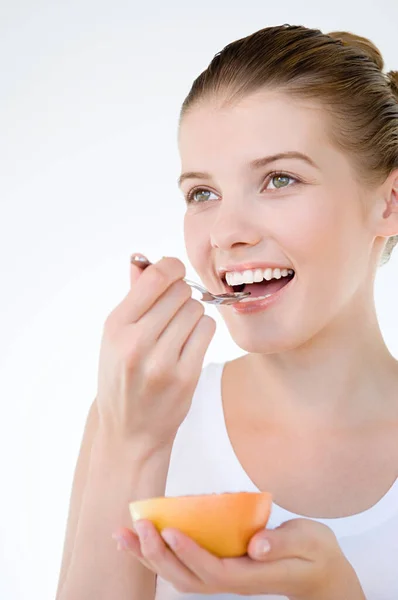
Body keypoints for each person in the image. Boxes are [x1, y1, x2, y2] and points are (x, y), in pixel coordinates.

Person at [55, 24, 398, 600]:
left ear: (388, 204)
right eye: (202, 194)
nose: (226, 235)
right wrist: (132, 442)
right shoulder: (135, 415)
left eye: (279, 179)